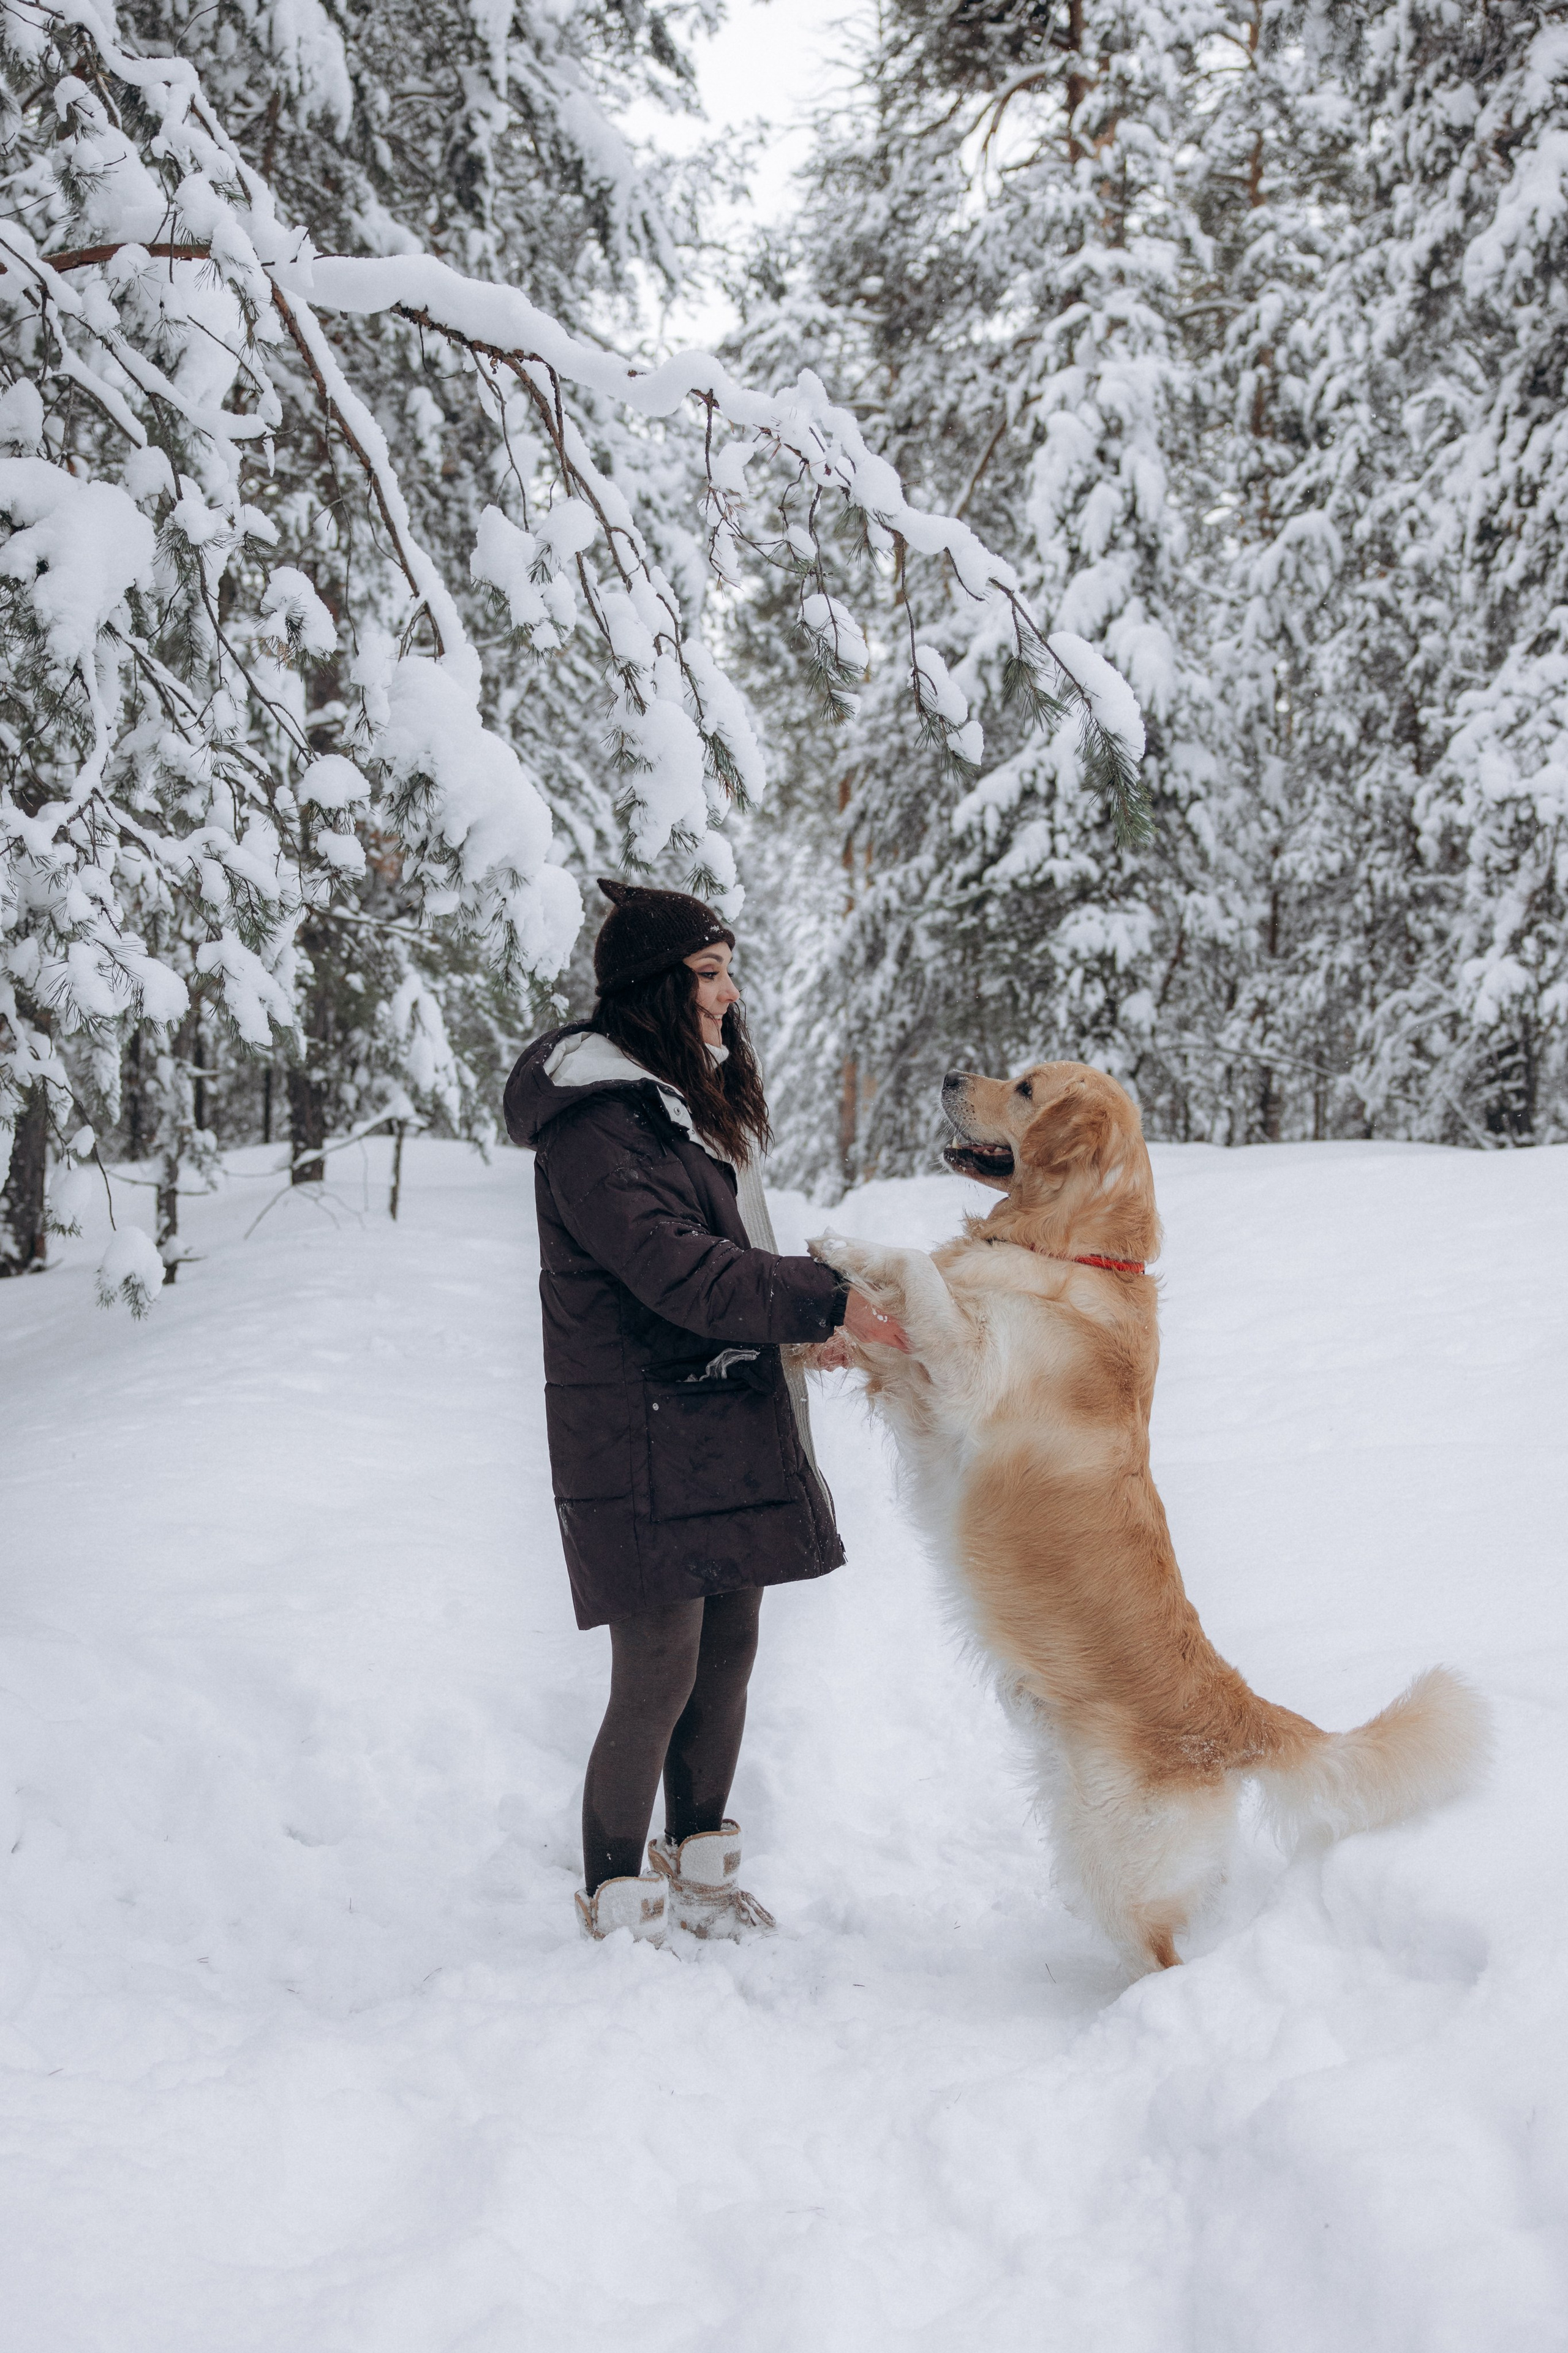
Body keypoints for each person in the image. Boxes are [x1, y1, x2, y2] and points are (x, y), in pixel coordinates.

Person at [504, 879, 908, 1944]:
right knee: (659, 1665)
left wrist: (799, 1325)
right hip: (636, 1435)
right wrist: (823, 1298)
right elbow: (676, 1270)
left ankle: (699, 1865)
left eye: (729, 971)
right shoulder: (597, 1121)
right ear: (656, 988)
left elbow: (722, 1259)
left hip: (711, 1416)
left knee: (730, 1643)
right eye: (712, 974)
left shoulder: (677, 1105)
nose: (731, 996)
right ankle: (613, 1891)